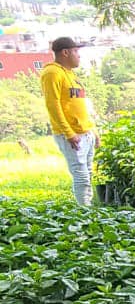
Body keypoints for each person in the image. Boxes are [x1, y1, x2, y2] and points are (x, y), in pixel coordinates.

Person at [40, 37, 96, 206]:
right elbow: (53, 105)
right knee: (81, 176)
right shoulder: (52, 73)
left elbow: (81, 105)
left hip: (86, 132)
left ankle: (90, 207)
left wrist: (94, 130)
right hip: (72, 135)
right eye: (76, 51)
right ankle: (84, 211)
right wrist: (69, 133)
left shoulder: (71, 74)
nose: (79, 56)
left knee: (88, 173)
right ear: (65, 52)